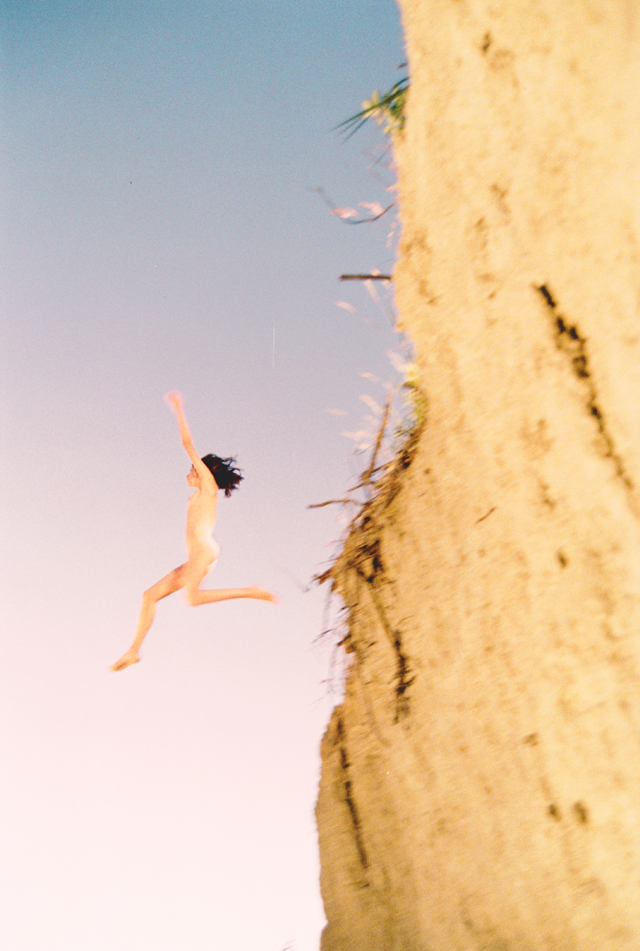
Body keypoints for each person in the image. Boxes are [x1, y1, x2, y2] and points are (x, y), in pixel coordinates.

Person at [110, 392, 277, 672]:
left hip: (204, 549)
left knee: (192, 599)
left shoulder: (207, 486)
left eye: (191, 469)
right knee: (149, 596)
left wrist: (178, 409)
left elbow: (187, 444)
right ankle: (133, 651)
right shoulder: (199, 493)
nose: (188, 473)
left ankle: (250, 591)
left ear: (202, 472)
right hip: (196, 555)